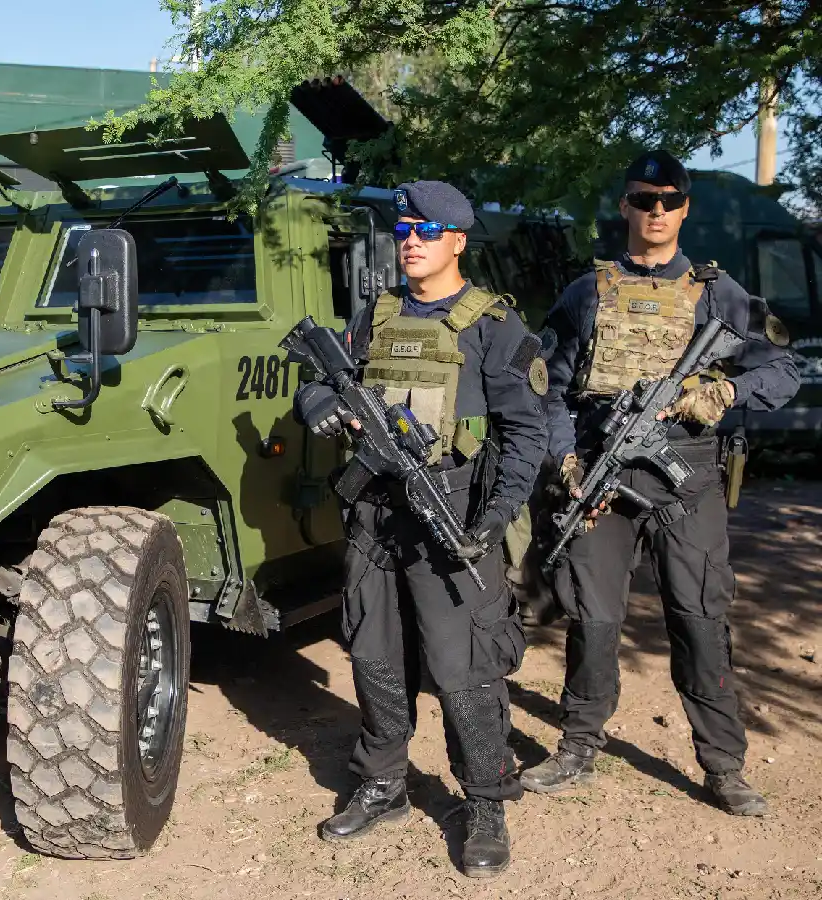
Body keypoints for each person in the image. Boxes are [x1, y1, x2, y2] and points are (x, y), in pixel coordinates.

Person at [521, 149, 800, 815]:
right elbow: (548, 389)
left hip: (687, 478)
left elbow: (783, 369)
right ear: (625, 205)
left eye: (669, 201)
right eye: (644, 199)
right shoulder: (586, 293)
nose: (656, 211)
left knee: (701, 619)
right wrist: (565, 460)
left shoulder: (719, 294)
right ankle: (579, 744)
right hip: (602, 471)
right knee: (593, 617)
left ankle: (723, 765)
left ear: (684, 209)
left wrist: (725, 392)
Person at [294, 180, 548, 878]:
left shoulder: (494, 326)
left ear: (457, 241)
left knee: (466, 667)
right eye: (405, 230)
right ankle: (383, 783)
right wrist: (317, 404)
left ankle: (486, 800)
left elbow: (526, 435)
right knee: (374, 653)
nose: (411, 241)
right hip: (374, 515)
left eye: (427, 231)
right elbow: (318, 381)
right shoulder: (374, 317)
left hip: (452, 515)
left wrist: (495, 517)